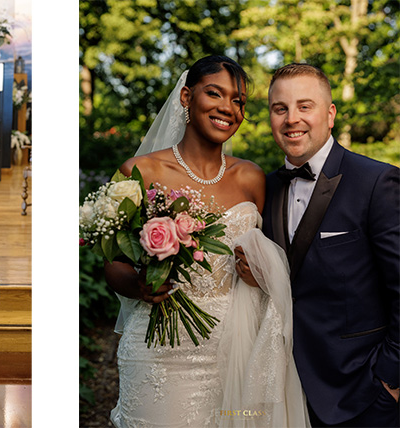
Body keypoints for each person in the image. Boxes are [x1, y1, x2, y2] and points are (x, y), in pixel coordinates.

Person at [105, 55, 309, 427]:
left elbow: (270, 259)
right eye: (215, 94)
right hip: (160, 350)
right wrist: (139, 284)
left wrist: (261, 269)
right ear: (186, 97)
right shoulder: (139, 171)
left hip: (237, 348)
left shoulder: (252, 178)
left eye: (238, 101)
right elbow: (113, 264)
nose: (228, 108)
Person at [260, 63, 399, 427]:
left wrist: (390, 379)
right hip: (285, 391)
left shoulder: (376, 182)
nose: (292, 119)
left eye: (305, 106)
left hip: (363, 394)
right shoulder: (266, 188)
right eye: (280, 108)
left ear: (330, 114)